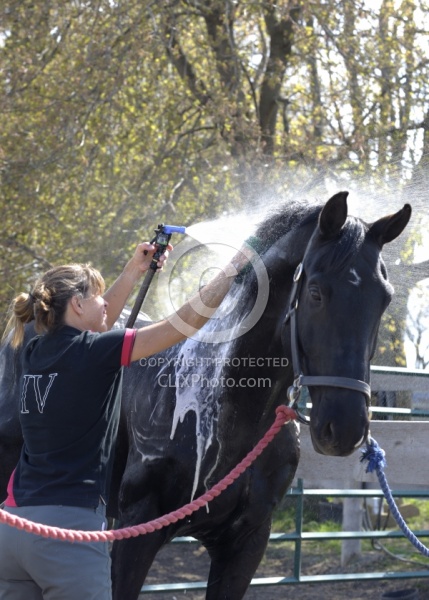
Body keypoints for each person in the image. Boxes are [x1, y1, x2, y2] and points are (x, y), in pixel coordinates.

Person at [0, 239, 251, 600]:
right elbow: (181, 326)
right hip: (66, 533)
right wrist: (233, 266)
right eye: (98, 296)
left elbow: (96, 323)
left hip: (13, 530)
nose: (107, 304)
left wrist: (134, 270)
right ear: (76, 303)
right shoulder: (95, 352)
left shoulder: (35, 349)